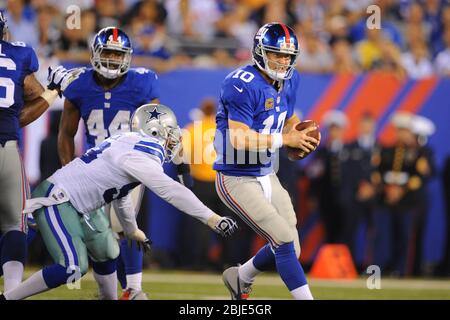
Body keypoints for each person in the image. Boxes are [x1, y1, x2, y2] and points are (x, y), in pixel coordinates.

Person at [0, 103, 238, 300]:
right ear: (155, 131)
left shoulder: (129, 142)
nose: (173, 139)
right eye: (169, 132)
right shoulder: (144, 151)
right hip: (58, 200)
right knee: (72, 268)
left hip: (78, 205)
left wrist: (132, 230)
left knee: (107, 251)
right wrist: (211, 218)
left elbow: (120, 194)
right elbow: (170, 190)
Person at [57, 26, 190, 300]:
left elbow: (157, 124)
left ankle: (134, 288)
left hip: (129, 164)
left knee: (124, 226)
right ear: (95, 53)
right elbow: (66, 134)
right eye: (107, 52)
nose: (113, 59)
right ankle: (115, 291)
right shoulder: (79, 84)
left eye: (118, 54)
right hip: (93, 168)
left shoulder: (141, 83)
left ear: (127, 57)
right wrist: (68, 170)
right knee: (100, 237)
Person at [213, 23, 320, 300]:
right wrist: (286, 141)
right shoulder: (240, 83)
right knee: (282, 239)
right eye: (276, 54)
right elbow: (239, 139)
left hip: (266, 172)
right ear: (260, 52)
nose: (283, 61)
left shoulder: (290, 79)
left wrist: (298, 132)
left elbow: (286, 119)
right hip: (235, 175)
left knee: (290, 249)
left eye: (287, 56)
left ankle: (241, 276)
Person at [0, 11, 78, 293]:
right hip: (5, 147)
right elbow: (23, 113)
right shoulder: (19, 55)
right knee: (16, 223)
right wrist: (55, 91)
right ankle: (10, 292)